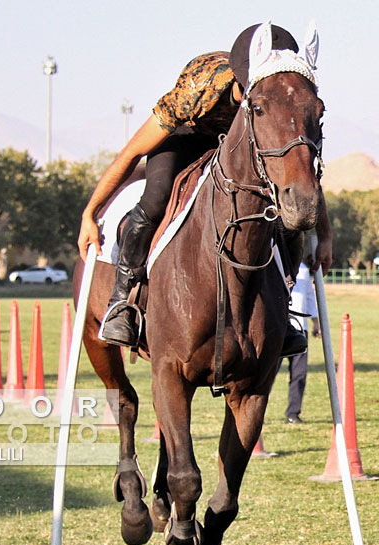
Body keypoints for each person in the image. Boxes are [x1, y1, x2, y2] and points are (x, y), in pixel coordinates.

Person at [75, 23, 331, 355]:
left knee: (280, 215)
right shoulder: (201, 86)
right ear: (245, 84)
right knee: (155, 199)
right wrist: (90, 212)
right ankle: (123, 300)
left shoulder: (279, 99)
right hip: (183, 137)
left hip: (241, 145)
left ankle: (282, 308)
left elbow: (297, 166)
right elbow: (133, 151)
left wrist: (324, 233)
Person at [284, 259, 318, 423]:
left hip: (300, 329)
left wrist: (316, 323)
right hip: (277, 327)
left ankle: (293, 413)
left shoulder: (303, 269)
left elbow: (310, 297)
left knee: (299, 374)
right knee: (267, 375)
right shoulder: (274, 262)